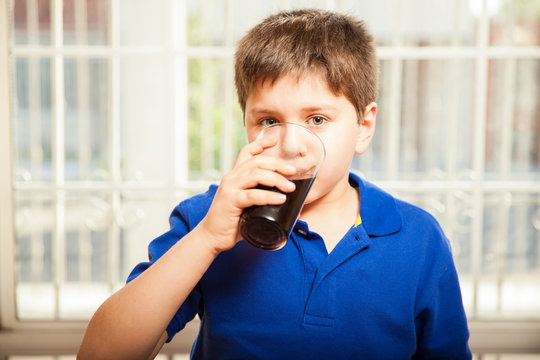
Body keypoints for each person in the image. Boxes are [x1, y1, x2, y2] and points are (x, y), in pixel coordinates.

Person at [78, 9, 471, 359]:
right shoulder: (210, 219)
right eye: (269, 121)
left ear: (363, 127)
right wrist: (207, 239)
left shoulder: (418, 239)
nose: (291, 145)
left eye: (317, 119)